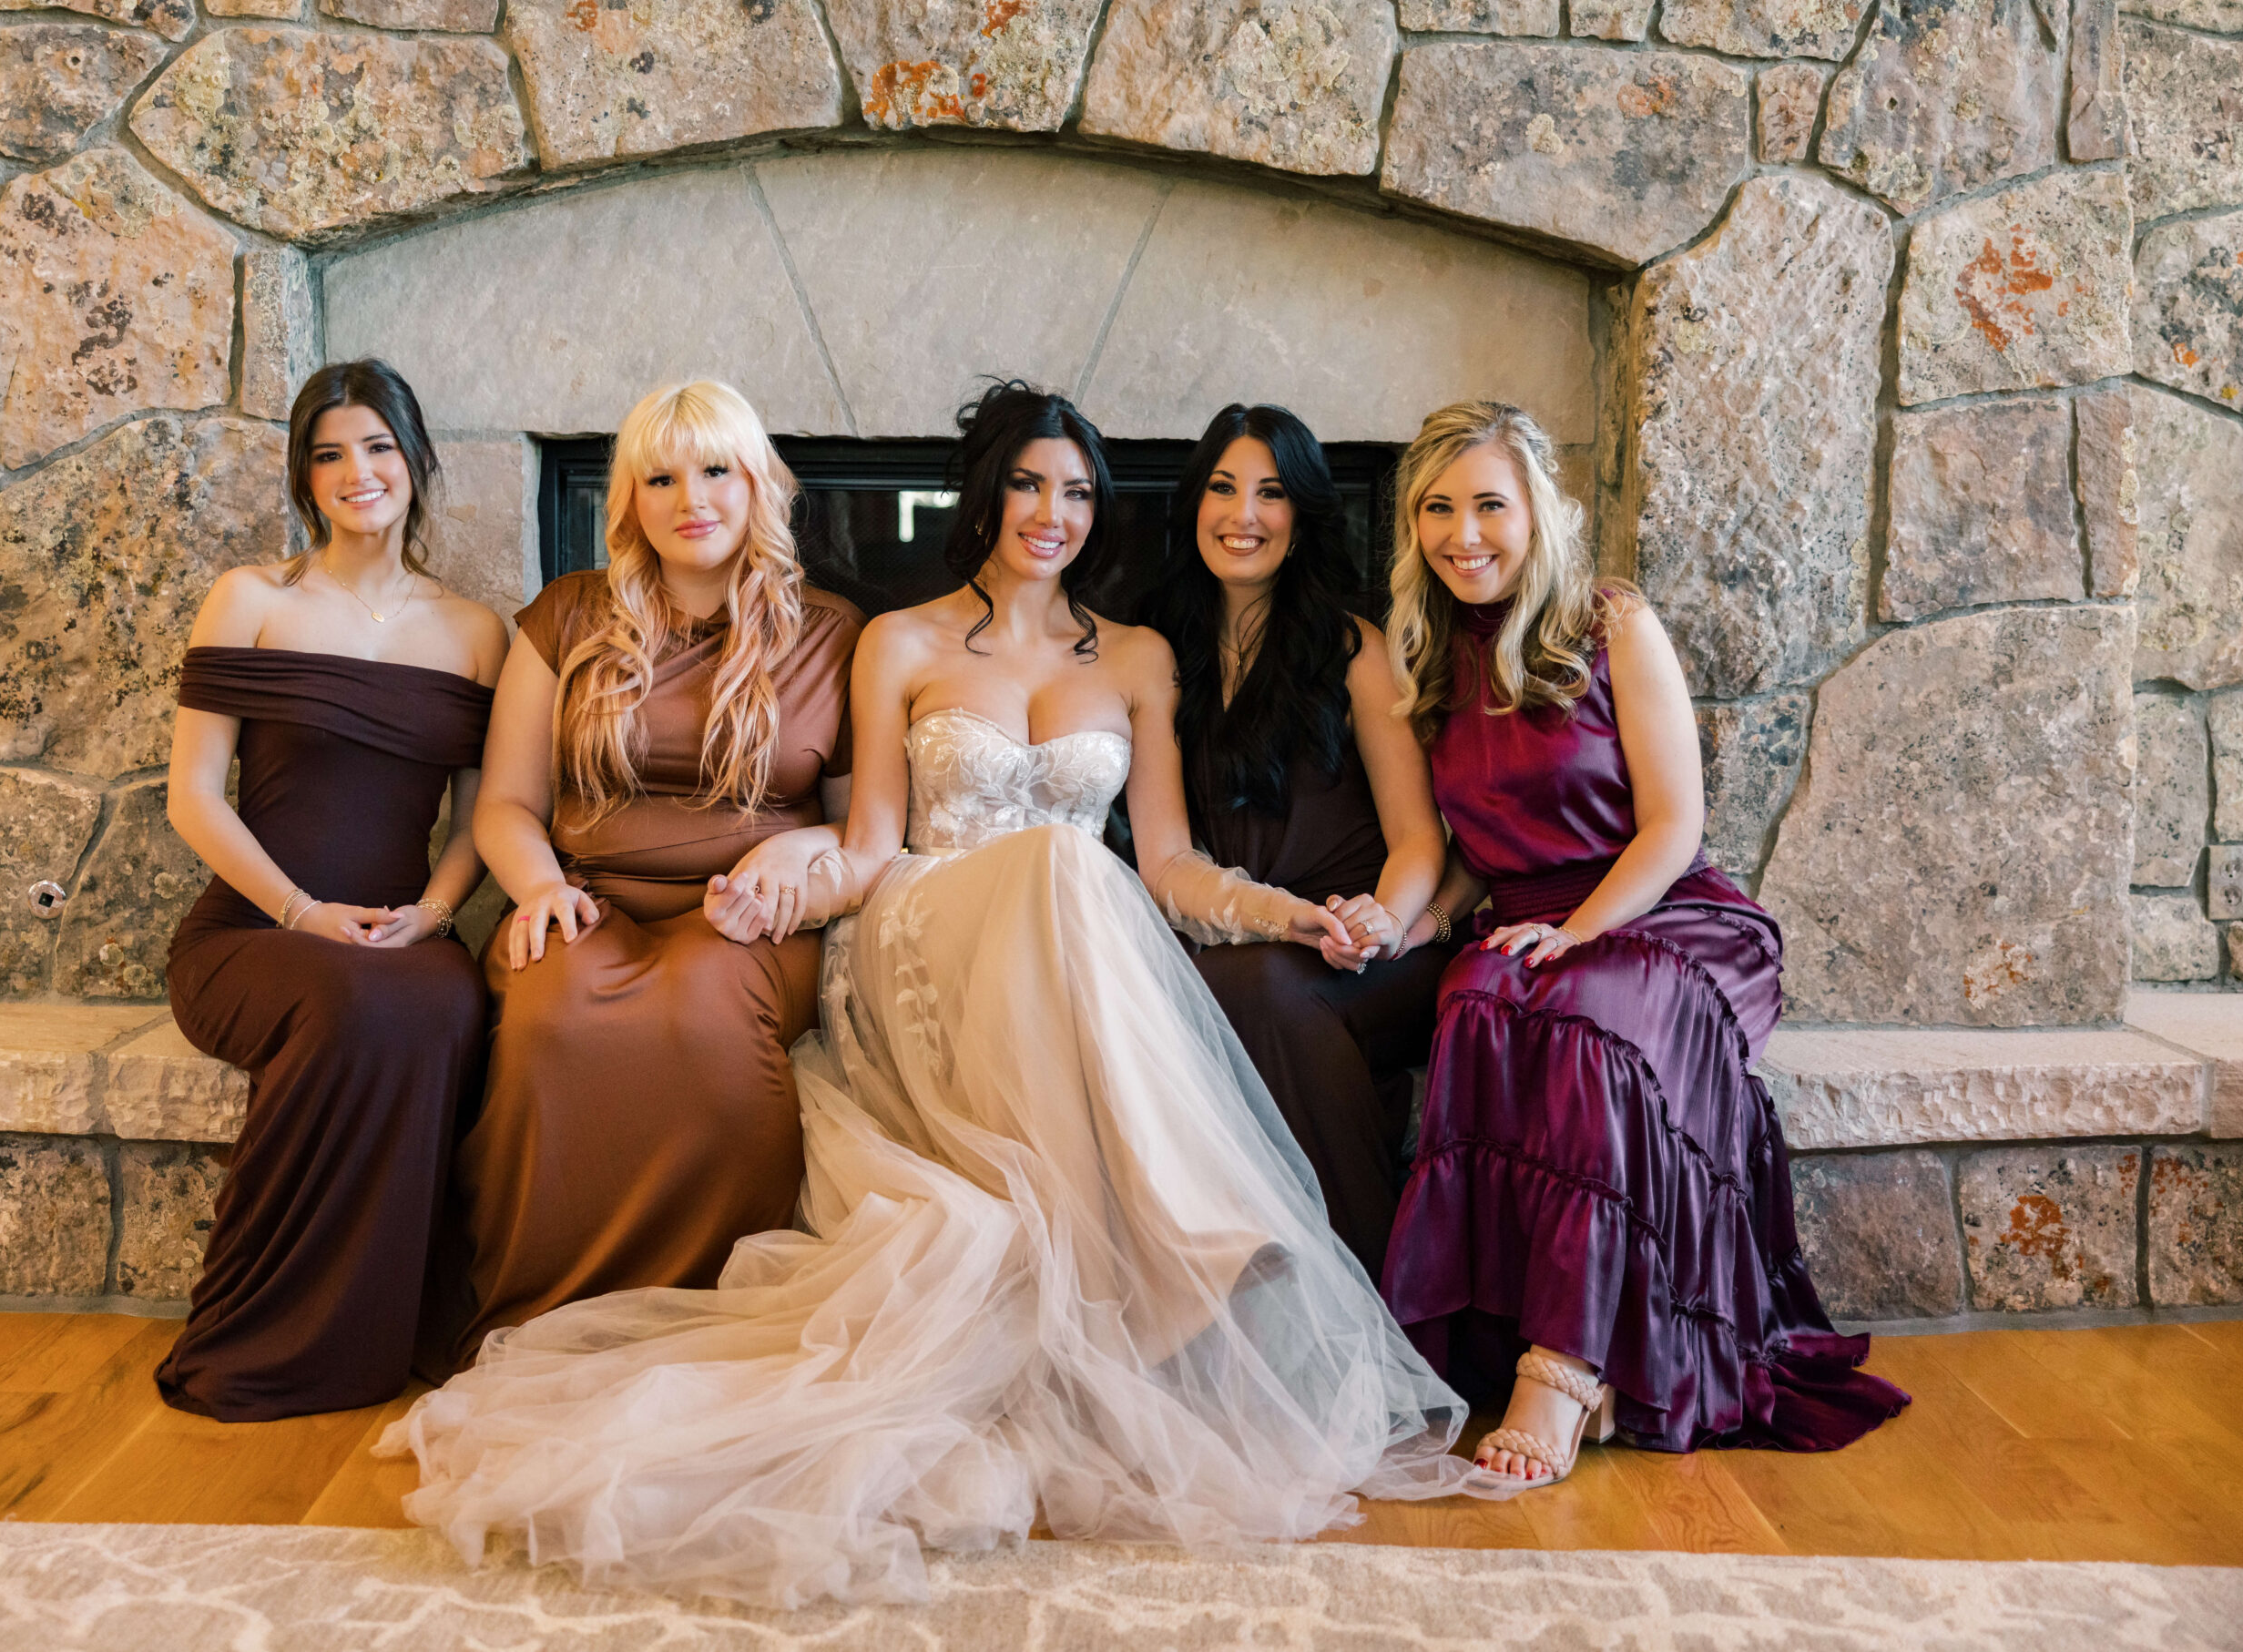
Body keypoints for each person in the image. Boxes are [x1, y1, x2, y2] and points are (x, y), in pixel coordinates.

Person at [380, 382, 1472, 1606]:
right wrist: (791, 864)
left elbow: (1162, 865)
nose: (1049, 512)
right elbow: (866, 844)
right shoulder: (897, 641)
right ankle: (1184, 1244)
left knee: (1077, 868)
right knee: (1065, 862)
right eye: (1025, 484)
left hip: (1059, 934)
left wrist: (1290, 914)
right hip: (921, 926)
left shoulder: (1141, 657)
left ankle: (1143, 1267)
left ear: (1098, 512)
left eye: (1074, 491)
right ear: (987, 495)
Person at [1377, 401, 1907, 1494]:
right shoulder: (1426, 653)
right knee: (1472, 995)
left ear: (1537, 513)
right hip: (1526, 915)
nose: (1461, 532)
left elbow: (1673, 824)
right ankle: (1482, 1345)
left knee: (1588, 1021)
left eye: (1488, 504)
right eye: (1436, 508)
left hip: (1667, 912)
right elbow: (1471, 851)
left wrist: (1575, 932)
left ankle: (1565, 1368)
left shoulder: (1609, 619)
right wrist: (1406, 924)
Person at [434, 380, 864, 1372]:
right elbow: (503, 802)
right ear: (627, 498)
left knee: (708, 1020)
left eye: (716, 470)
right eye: (660, 476)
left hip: (753, 920)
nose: (691, 498)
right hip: (587, 898)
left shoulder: (833, 631)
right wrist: (539, 887)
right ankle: (539, 1321)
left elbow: (857, 826)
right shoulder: (565, 614)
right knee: (553, 1015)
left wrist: (796, 855)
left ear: (758, 484)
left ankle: (715, 1325)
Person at [158, 360, 507, 1422]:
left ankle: (389, 1324)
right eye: (328, 454)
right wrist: (303, 913)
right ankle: (271, 1330)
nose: (357, 472)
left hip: (406, 932)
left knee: (446, 1000)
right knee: (349, 999)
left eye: (378, 447)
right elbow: (192, 796)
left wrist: (434, 916)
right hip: (251, 935)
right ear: (305, 479)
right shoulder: (251, 600)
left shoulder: (477, 632)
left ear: (416, 462)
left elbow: (478, 817)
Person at [1143, 403, 1460, 1282]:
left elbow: (1418, 838)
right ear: (1194, 503)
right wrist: (1276, 921)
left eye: (1271, 493)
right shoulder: (1162, 655)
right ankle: (1296, 1300)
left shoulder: (1353, 648)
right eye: (1223, 487)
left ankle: (1374, 1295)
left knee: (1262, 991)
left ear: (1303, 513)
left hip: (1375, 944)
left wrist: (1383, 923)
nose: (1243, 514)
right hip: (1251, 934)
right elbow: (1167, 856)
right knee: (1224, 985)